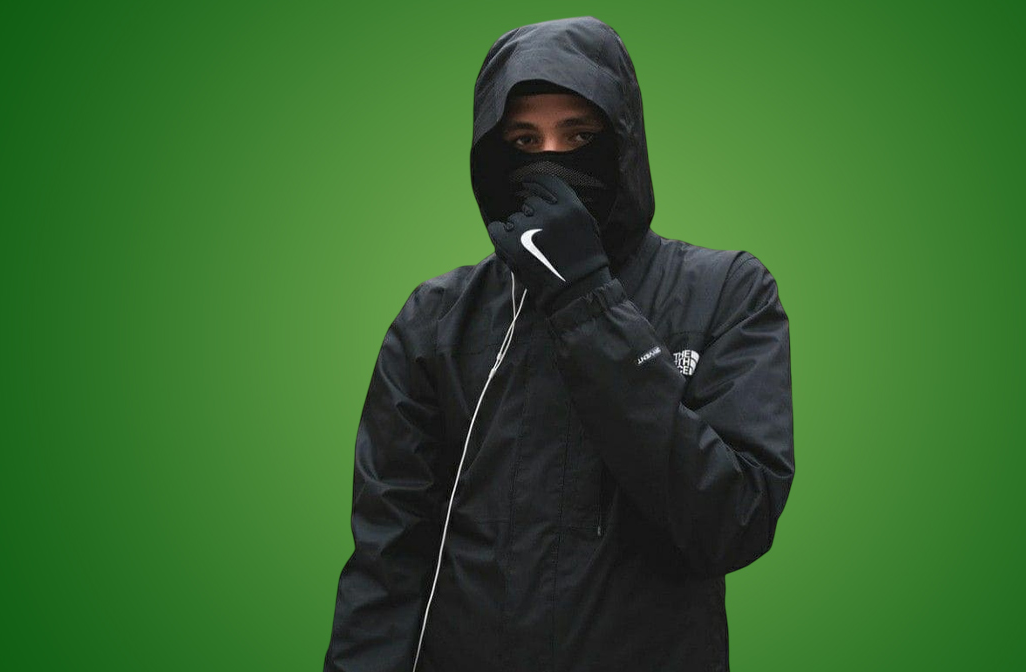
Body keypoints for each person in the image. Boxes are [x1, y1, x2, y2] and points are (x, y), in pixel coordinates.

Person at [325, 16, 794, 672]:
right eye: (524, 140)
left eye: (579, 136)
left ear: (623, 144)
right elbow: (388, 561)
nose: (550, 162)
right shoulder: (437, 319)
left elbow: (733, 522)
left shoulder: (726, 292)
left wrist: (587, 300)